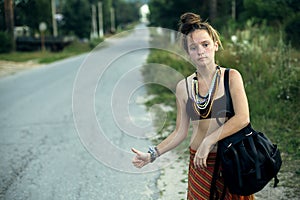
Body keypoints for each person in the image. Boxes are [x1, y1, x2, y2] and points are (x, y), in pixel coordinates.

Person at [131, 12, 255, 200]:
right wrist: (152, 155)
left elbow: (243, 118)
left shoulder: (231, 77)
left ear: (215, 44)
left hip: (232, 160)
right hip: (200, 163)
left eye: (205, 44)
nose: (200, 51)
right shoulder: (184, 87)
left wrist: (209, 140)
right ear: (188, 53)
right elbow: (180, 132)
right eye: (193, 47)